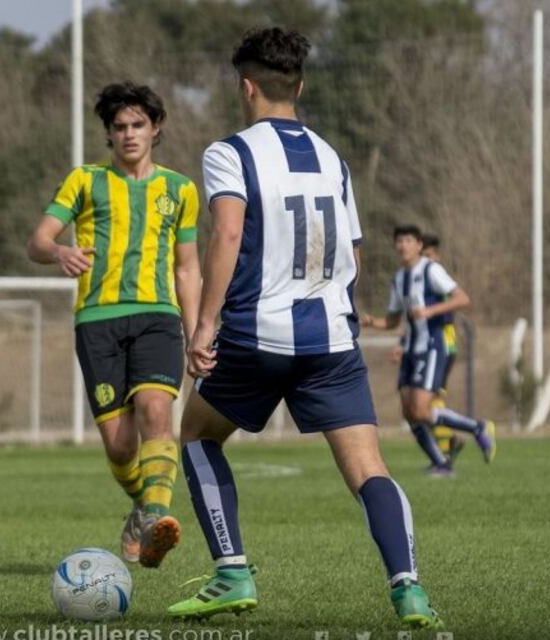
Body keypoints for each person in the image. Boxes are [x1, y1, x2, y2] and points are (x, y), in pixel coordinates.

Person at [167, 28, 443, 630]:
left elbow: (229, 235)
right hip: (332, 342)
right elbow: (355, 257)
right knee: (370, 470)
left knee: (194, 435)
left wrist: (204, 325)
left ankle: (233, 572)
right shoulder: (332, 158)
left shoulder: (229, 153)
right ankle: (409, 589)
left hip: (255, 338)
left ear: (245, 86)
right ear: (301, 85)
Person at [28, 82, 201, 568]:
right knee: (121, 445)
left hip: (158, 316)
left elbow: (187, 267)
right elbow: (38, 240)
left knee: (155, 413)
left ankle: (155, 522)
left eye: (138, 125)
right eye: (119, 127)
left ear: (156, 128)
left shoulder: (180, 189)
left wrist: (197, 330)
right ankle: (142, 507)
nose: (129, 134)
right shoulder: (83, 181)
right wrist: (59, 250)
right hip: (97, 320)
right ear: (108, 133)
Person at [364, 226, 495, 477]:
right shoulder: (399, 278)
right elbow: (392, 321)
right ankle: (442, 464)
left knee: (422, 410)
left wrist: (430, 311)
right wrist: (373, 323)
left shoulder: (431, 270)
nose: (403, 245)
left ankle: (478, 427)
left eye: (408, 240)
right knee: (409, 412)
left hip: (432, 347)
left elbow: (462, 298)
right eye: (399, 240)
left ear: (419, 245)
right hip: (410, 349)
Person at [420, 234, 464, 463]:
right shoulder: (424, 276)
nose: (425, 260)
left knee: (432, 399)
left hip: (444, 343)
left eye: (428, 255)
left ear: (435, 255)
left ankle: (446, 449)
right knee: (427, 401)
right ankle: (448, 445)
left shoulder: (437, 275)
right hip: (432, 343)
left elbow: (451, 308)